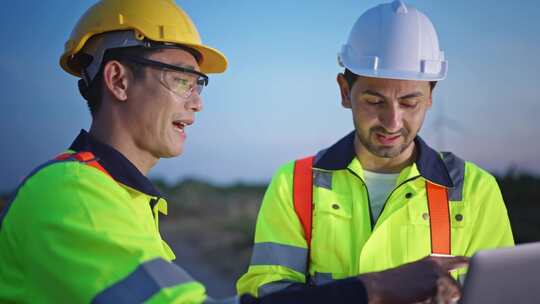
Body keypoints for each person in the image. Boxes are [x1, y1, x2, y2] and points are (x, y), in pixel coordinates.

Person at [0, 0, 467, 303]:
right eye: (181, 78)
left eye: (198, 84)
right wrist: (377, 289)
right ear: (118, 80)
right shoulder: (72, 195)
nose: (197, 100)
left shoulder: (126, 201)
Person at [237, 0, 514, 298]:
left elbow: (503, 296)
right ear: (345, 92)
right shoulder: (294, 184)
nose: (392, 122)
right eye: (374, 101)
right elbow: (267, 297)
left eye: (409, 102)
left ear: (431, 96)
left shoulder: (475, 190)